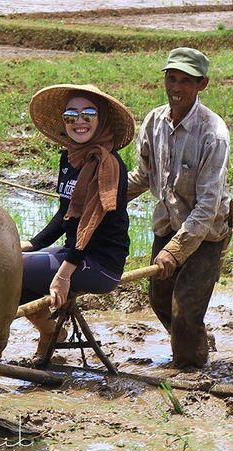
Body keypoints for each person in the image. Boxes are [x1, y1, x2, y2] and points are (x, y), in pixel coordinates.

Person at [127, 47, 230, 369]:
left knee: (184, 310)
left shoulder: (213, 134)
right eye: (171, 78)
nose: (176, 87)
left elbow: (207, 206)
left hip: (206, 234)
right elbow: (143, 176)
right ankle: (195, 340)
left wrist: (175, 251)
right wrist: (102, 196)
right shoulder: (154, 121)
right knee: (159, 298)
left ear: (202, 84)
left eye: (186, 81)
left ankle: (192, 371)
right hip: (168, 223)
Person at [23, 84, 134, 360]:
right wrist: (32, 243)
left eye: (88, 114)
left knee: (15, 269)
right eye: (71, 115)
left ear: (102, 119)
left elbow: (93, 224)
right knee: (12, 261)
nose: (79, 121)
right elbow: (64, 214)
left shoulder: (109, 166)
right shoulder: (69, 158)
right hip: (73, 253)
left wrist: (63, 274)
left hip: (101, 263)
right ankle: (51, 330)